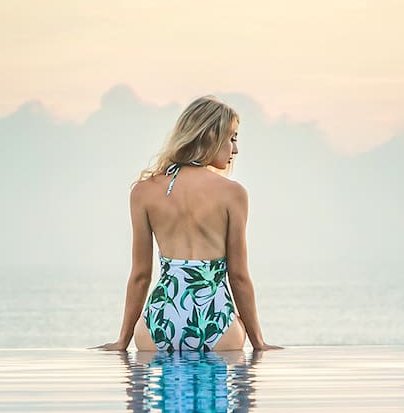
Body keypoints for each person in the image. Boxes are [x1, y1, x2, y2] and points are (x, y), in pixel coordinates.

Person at [96, 96, 280, 354]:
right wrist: (259, 343)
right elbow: (238, 276)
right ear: (210, 136)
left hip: (159, 322)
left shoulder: (143, 192)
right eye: (232, 138)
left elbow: (140, 276)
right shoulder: (233, 193)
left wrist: (122, 342)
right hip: (215, 322)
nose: (235, 150)